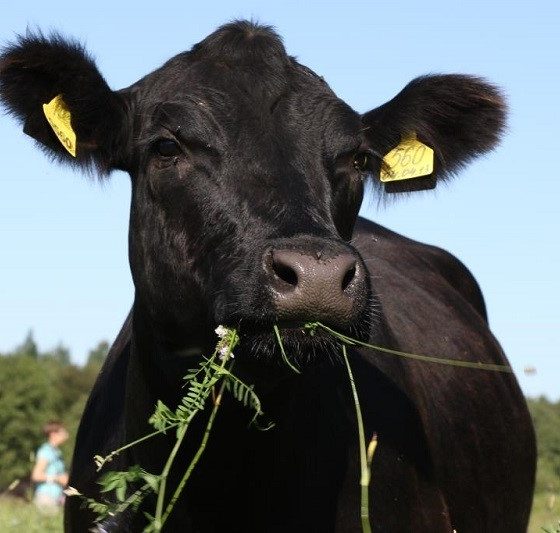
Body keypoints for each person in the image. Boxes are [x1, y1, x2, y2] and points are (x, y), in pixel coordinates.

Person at [31, 420, 69, 512]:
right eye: (62, 431)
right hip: (46, 498)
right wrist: (57, 478)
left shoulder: (56, 452)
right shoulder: (46, 451)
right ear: (53, 434)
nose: (66, 434)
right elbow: (36, 475)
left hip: (55, 498)